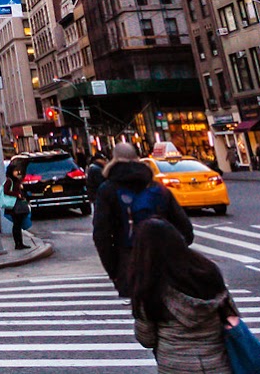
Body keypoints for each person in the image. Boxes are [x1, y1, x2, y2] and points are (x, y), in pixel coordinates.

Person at [129, 217, 237, 372]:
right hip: (218, 363)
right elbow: (231, 315)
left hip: (175, 365)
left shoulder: (150, 285)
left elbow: (147, 339)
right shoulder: (208, 271)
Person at [92, 142, 193, 297]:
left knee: (144, 313)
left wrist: (115, 271)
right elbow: (186, 230)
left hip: (131, 263)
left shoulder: (108, 190)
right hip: (165, 263)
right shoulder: (158, 188)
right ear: (137, 158)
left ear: (114, 159)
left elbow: (102, 235)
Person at [0, 156, 32, 252]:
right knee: (16, 225)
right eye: (15, 171)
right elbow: (5, 191)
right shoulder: (9, 181)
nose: (17, 172)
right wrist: (16, 194)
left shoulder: (16, 180)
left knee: (18, 224)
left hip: (18, 205)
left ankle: (20, 242)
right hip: (13, 206)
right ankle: (17, 243)